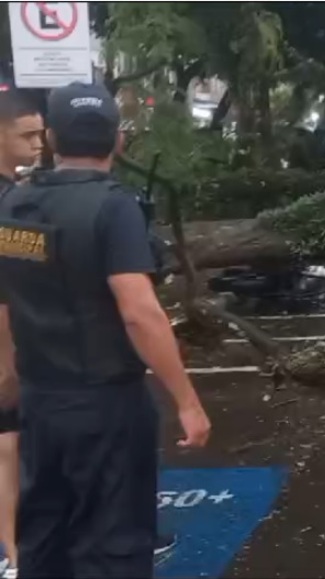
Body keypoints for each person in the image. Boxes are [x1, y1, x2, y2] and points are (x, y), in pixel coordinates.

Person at [0, 82, 211, 578]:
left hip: (40, 400)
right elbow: (139, 310)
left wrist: (8, 375)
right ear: (117, 140)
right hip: (105, 404)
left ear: (51, 137)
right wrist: (186, 399)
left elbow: (4, 303)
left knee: (46, 531)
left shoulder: (13, 207)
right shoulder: (114, 207)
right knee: (114, 539)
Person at [0, 89, 44, 579]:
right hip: (9, 344)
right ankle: (13, 551)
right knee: (9, 444)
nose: (38, 144)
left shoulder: (17, 195)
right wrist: (8, 361)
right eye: (26, 135)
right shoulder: (9, 202)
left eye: (41, 134)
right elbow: (12, 287)